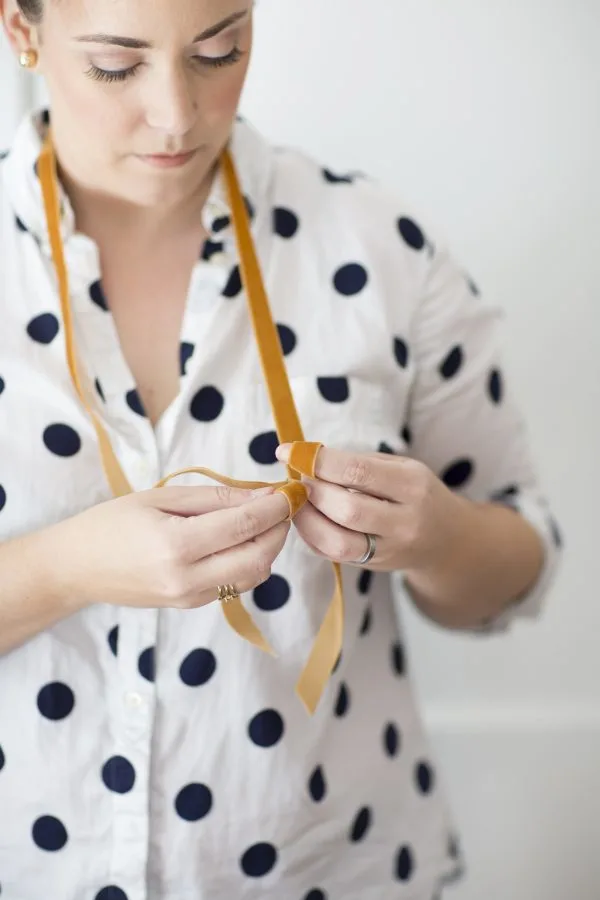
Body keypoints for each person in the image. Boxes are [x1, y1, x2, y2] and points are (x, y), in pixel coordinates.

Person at [0, 1, 562, 898]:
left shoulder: (382, 250)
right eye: (117, 65)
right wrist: (65, 569)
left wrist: (438, 536)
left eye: (219, 50)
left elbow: (521, 567)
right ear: (21, 31)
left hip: (329, 869)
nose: (177, 113)